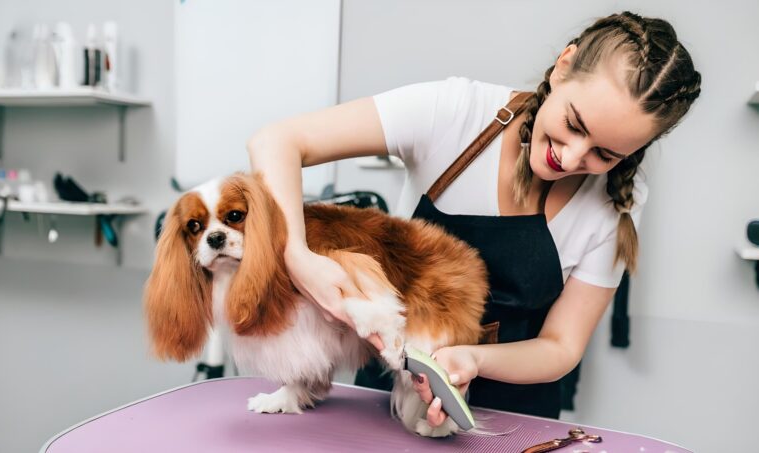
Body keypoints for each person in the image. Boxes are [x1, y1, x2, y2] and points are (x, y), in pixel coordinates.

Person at [247, 11, 701, 427]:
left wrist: (472, 361)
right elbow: (278, 141)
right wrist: (299, 259)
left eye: (605, 153)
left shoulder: (621, 198)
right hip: (390, 390)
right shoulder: (454, 112)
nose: (571, 156)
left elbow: (562, 346)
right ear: (564, 65)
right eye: (575, 124)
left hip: (518, 413)